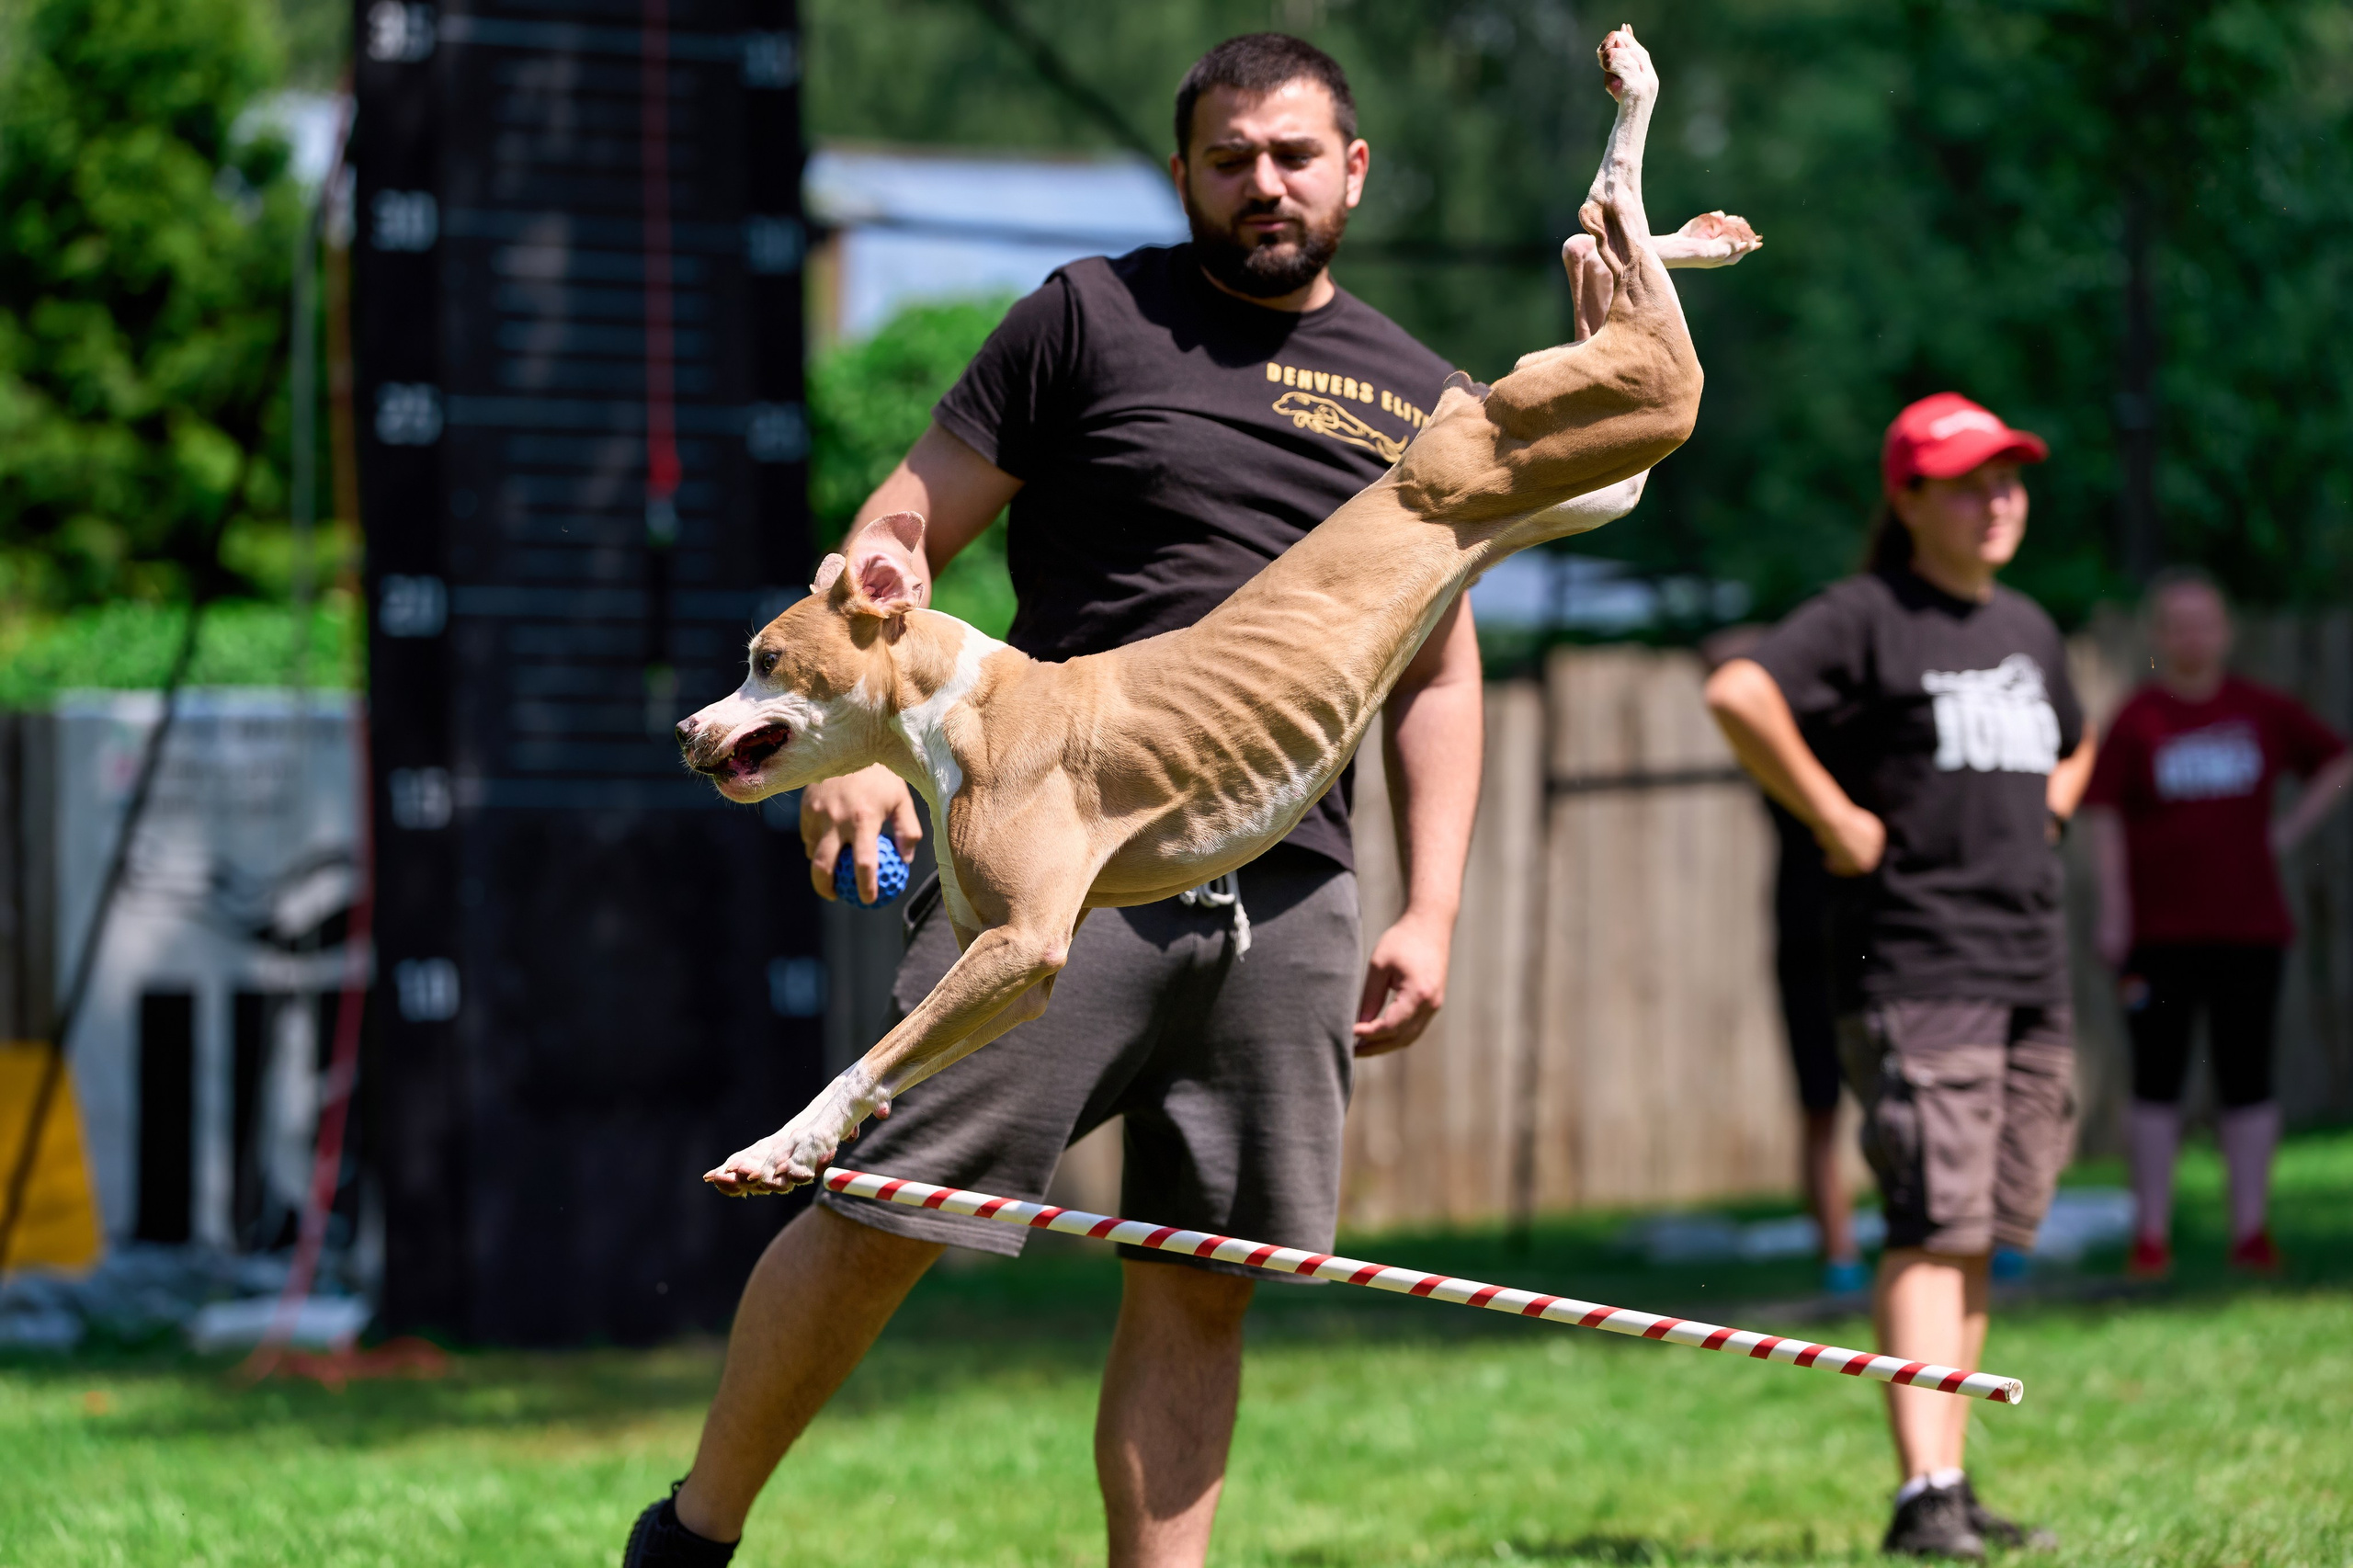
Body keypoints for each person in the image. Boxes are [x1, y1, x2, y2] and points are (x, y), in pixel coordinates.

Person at [624, 34, 1482, 1568]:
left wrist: (1430, 903)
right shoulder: (1088, 318)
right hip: (1053, 858)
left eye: (1295, 154)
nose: (1264, 183)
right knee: (890, 1201)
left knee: (1202, 1274)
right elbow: (904, 521)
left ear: (1355, 169)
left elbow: (1439, 670)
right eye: (1231, 157)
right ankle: (691, 1538)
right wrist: (847, 733)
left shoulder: (1429, 398)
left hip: (1291, 876)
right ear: (1184, 174)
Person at [1704, 392, 2096, 1560]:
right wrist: (1833, 815)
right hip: (1919, 963)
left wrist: (2050, 815)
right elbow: (1739, 689)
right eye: (1971, 480)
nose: (1998, 499)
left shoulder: (2026, 627)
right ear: (1909, 496)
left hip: (2030, 962)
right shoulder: (1868, 617)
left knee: (1979, 1226)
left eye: (2010, 478)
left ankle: (1954, 1479)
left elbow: (2076, 737)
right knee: (1930, 1221)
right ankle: (1920, 1491)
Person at [2082, 571, 2352, 1278]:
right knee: (2155, 1082)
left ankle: (2251, 1232)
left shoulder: (2260, 709)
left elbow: (2336, 759)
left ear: (2225, 631)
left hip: (2249, 930)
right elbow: (2103, 815)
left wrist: (2288, 830)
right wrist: (2115, 911)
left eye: (2205, 621)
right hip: (2158, 938)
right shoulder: (2139, 718)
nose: (2192, 636)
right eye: (2177, 623)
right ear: (2158, 636)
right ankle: (2151, 1237)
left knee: (2248, 1080)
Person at [1700, 627, 1865, 1294]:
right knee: (1820, 1102)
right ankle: (1841, 1256)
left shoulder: (1859, 727)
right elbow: (1722, 664)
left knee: (1898, 1097)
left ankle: (1930, 1238)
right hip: (1807, 930)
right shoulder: (1774, 746)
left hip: (1876, 927)